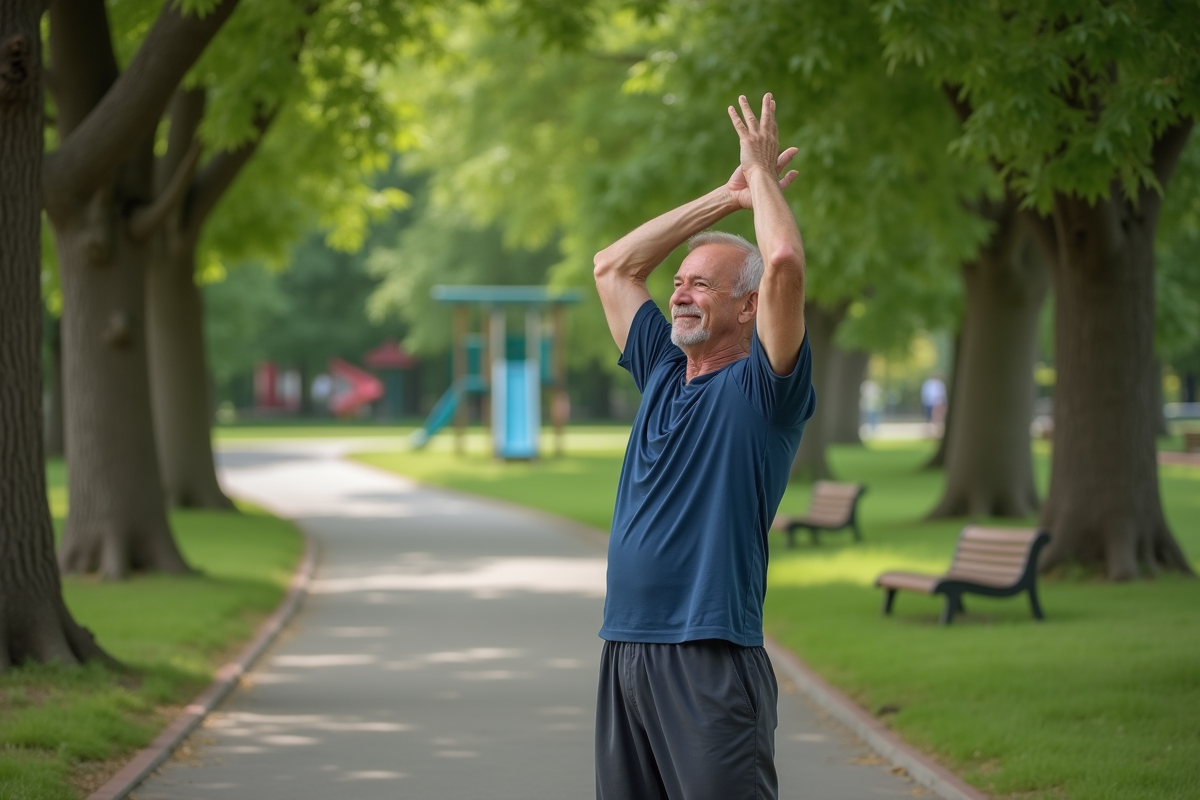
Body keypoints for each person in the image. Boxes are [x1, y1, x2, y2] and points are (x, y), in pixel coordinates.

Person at [591, 93, 816, 800]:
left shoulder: (763, 389)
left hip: (709, 656)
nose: (681, 295)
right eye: (679, 284)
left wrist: (764, 187)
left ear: (747, 306)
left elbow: (780, 260)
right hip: (626, 649)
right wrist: (723, 198)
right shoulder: (661, 368)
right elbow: (614, 268)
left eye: (703, 286)